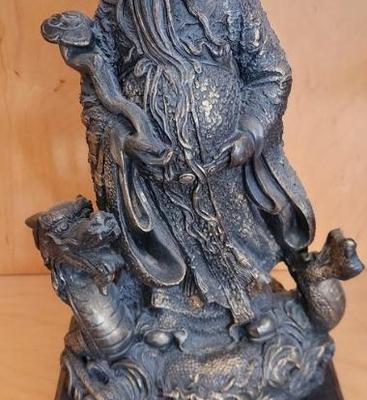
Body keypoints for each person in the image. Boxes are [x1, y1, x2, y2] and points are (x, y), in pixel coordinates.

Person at [81, 0, 315, 325]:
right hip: (156, 178)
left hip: (226, 170)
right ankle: (173, 313)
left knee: (240, 243)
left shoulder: (234, 5)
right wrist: (124, 138)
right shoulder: (118, 9)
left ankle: (250, 300)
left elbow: (272, 73)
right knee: (172, 251)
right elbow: (96, 92)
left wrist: (250, 132)